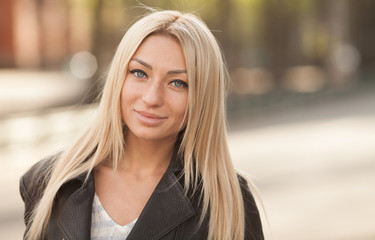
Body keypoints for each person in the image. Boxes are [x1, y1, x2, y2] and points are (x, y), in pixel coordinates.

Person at [19, 10, 264, 240]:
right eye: (139, 73)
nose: (151, 98)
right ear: (119, 78)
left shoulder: (229, 200)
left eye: (178, 83)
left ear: (203, 98)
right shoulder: (49, 181)